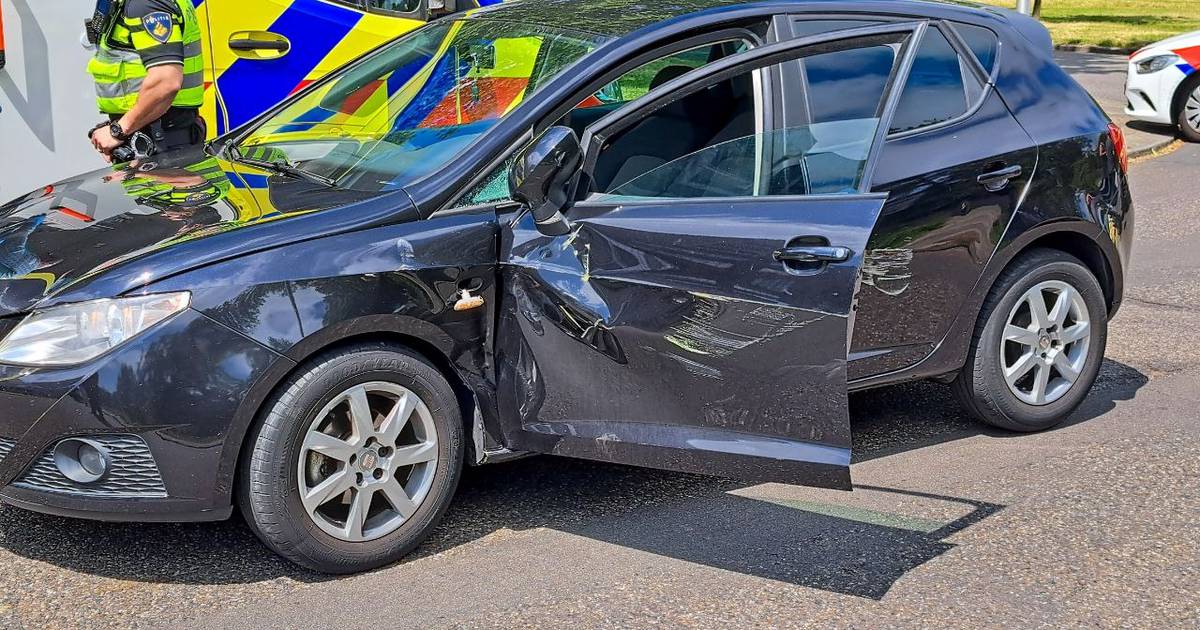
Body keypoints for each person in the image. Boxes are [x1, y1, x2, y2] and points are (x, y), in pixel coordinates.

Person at [86, 0, 205, 163]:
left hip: (161, 143)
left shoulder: (145, 4)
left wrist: (119, 130)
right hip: (158, 136)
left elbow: (165, 81)